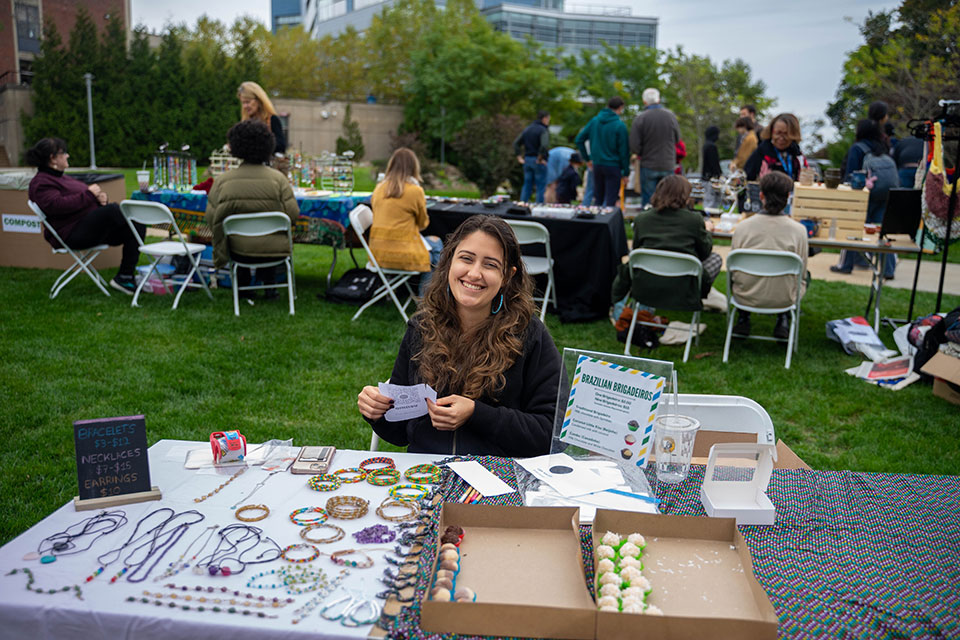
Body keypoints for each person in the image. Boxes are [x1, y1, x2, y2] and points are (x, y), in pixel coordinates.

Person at [357, 215, 563, 456]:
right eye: (466, 259)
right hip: (426, 475)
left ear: (507, 276)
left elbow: (552, 433)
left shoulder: (529, 334)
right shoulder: (422, 327)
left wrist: (477, 414)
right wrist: (377, 411)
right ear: (449, 262)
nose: (474, 273)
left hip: (500, 479)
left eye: (490, 264)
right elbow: (401, 432)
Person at [26, 137, 144, 294]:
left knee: (137, 224)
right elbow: (57, 206)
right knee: (114, 210)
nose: (67, 156)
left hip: (87, 227)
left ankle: (125, 276)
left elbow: (82, 199)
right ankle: (161, 226)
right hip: (70, 233)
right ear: (52, 158)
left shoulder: (60, 176)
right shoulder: (41, 183)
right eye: (64, 153)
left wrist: (100, 199)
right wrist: (89, 195)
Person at [206, 119, 298, 299]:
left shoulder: (223, 181)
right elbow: (293, 214)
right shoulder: (279, 180)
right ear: (268, 145)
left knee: (237, 238)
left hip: (238, 249)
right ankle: (271, 287)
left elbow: (211, 217)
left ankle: (242, 287)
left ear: (235, 146)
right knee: (269, 236)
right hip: (275, 249)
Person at [611, 175, 721, 309]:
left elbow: (637, 251)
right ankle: (701, 294)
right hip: (684, 287)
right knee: (716, 258)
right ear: (684, 196)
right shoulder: (694, 220)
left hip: (647, 284)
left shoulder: (642, 219)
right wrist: (707, 231)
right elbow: (705, 252)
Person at [730, 172, 808, 340]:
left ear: (761, 195)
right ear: (788, 197)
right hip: (784, 298)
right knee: (804, 276)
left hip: (745, 295)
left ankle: (743, 317)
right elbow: (802, 271)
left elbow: (732, 269)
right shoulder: (799, 231)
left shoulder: (742, 228)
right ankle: (783, 319)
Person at [369, 148, 442, 293]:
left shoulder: (379, 188)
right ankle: (426, 305)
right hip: (402, 254)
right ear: (414, 167)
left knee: (434, 250)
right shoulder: (415, 191)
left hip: (377, 254)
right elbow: (423, 224)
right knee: (438, 248)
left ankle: (418, 299)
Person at [832, 119, 898, 278]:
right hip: (884, 194)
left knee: (853, 229)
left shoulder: (858, 148)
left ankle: (845, 265)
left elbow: (851, 174)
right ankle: (888, 270)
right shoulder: (883, 147)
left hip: (864, 196)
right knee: (882, 232)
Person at [575, 96, 630, 207]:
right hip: (613, 165)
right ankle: (607, 222)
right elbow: (624, 151)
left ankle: (596, 222)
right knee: (610, 200)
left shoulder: (595, 121)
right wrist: (626, 172)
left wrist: (588, 158)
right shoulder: (619, 125)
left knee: (598, 199)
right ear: (620, 108)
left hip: (597, 164)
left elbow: (579, 139)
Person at [630, 88, 681, 205]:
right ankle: (666, 222)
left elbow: (634, 147)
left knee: (649, 200)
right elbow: (677, 139)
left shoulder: (640, 119)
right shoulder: (671, 116)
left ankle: (649, 222)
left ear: (644, 102)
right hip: (668, 164)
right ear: (659, 100)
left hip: (648, 164)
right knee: (668, 198)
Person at [743, 113, 808, 181]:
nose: (781, 138)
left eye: (786, 134)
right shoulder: (761, 152)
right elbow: (746, 179)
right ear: (771, 132)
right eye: (778, 133)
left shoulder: (797, 154)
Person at [238, 81, 286, 155]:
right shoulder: (245, 122)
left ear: (259, 100)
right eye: (243, 103)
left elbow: (281, 146)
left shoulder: (272, 119)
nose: (245, 106)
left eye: (248, 102)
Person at [513, 110, 551, 203]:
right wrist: (540, 158)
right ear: (544, 118)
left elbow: (516, 143)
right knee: (540, 186)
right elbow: (544, 145)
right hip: (538, 161)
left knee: (527, 185)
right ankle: (538, 208)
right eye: (548, 119)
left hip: (527, 160)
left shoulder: (528, 129)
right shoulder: (543, 130)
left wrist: (519, 157)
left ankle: (522, 205)